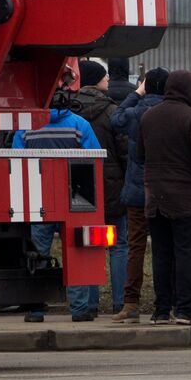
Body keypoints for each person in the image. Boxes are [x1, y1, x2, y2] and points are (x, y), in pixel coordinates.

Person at [137, 70, 191, 325]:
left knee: (161, 254)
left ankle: (161, 310)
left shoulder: (148, 116)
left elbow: (140, 155)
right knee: (185, 253)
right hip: (184, 196)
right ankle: (185, 309)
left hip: (154, 196)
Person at [15, 86, 102, 324]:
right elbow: (94, 158)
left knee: (37, 254)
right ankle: (80, 309)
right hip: (74, 199)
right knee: (76, 252)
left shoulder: (26, 126)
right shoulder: (79, 125)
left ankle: (35, 309)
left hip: (38, 199)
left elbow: (15, 159)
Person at [65, 60, 129, 321]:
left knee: (88, 245)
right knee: (119, 245)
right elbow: (125, 152)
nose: (108, 82)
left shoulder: (69, 109)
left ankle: (89, 305)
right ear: (98, 80)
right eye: (104, 78)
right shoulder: (112, 111)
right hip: (112, 184)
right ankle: (119, 302)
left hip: (80, 187)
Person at [110, 67, 167, 321]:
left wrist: (137, 92)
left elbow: (116, 119)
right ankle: (164, 303)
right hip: (164, 191)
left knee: (135, 247)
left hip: (135, 189)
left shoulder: (135, 113)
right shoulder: (171, 112)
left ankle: (130, 303)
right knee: (164, 248)